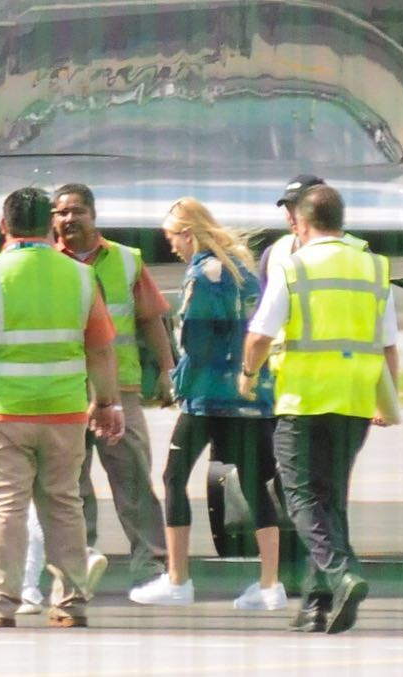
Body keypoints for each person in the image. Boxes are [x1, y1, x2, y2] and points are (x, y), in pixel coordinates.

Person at [0, 186, 124, 628]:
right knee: (64, 504)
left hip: (4, 413)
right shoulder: (80, 276)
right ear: (50, 225)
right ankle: (71, 601)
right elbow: (100, 348)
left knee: (7, 509)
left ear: (4, 227)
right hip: (64, 411)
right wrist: (107, 402)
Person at [239, 184, 398, 634]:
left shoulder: (293, 267)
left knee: (301, 497)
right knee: (331, 500)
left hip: (304, 401)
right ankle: (316, 606)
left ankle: (341, 571)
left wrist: (248, 376)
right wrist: (387, 401)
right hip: (355, 401)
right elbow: (387, 344)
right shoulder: (374, 267)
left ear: (302, 222)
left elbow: (259, 335)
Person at [14, 183, 173, 609]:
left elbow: (151, 318)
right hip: (63, 391)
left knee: (133, 478)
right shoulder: (43, 262)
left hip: (119, 390)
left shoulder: (125, 260)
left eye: (77, 211)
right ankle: (78, 564)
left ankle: (151, 563)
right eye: (61, 212)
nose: (68, 219)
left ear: (94, 215)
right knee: (70, 486)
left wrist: (167, 369)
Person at [129, 197, 286, 610]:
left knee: (173, 477)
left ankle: (178, 580)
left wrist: (177, 382)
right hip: (250, 397)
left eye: (173, 238)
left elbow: (196, 344)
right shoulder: (244, 273)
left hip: (207, 398)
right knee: (256, 486)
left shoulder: (203, 275)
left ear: (188, 232)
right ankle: (271, 584)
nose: (172, 248)